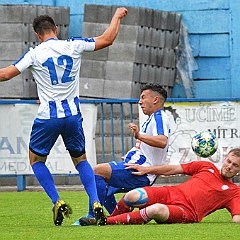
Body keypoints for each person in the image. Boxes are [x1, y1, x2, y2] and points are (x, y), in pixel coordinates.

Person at [0, 7, 128, 226]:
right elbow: (107, 39)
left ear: (37, 34)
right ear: (56, 29)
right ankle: (96, 201)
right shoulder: (73, 45)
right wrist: (116, 16)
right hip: (72, 116)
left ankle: (56, 200)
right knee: (81, 160)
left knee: (36, 160)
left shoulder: (34, 53)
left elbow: (4, 74)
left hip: (47, 117)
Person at [73, 83, 171, 225]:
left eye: (143, 97)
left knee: (97, 172)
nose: (140, 102)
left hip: (141, 171)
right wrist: (130, 154)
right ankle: (117, 218)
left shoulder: (159, 117)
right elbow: (147, 149)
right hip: (136, 167)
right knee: (103, 187)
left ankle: (92, 215)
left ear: (155, 99)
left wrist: (139, 136)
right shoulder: (152, 118)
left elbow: (162, 141)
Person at [81, 147, 240, 225]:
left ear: (238, 171)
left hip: (188, 212)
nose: (229, 166)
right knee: (132, 195)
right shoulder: (207, 167)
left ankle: (105, 222)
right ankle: (113, 218)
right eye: (229, 161)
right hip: (171, 193)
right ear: (225, 159)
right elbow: (173, 169)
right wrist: (147, 169)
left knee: (156, 209)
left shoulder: (234, 192)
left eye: (235, 165)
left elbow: (236, 219)